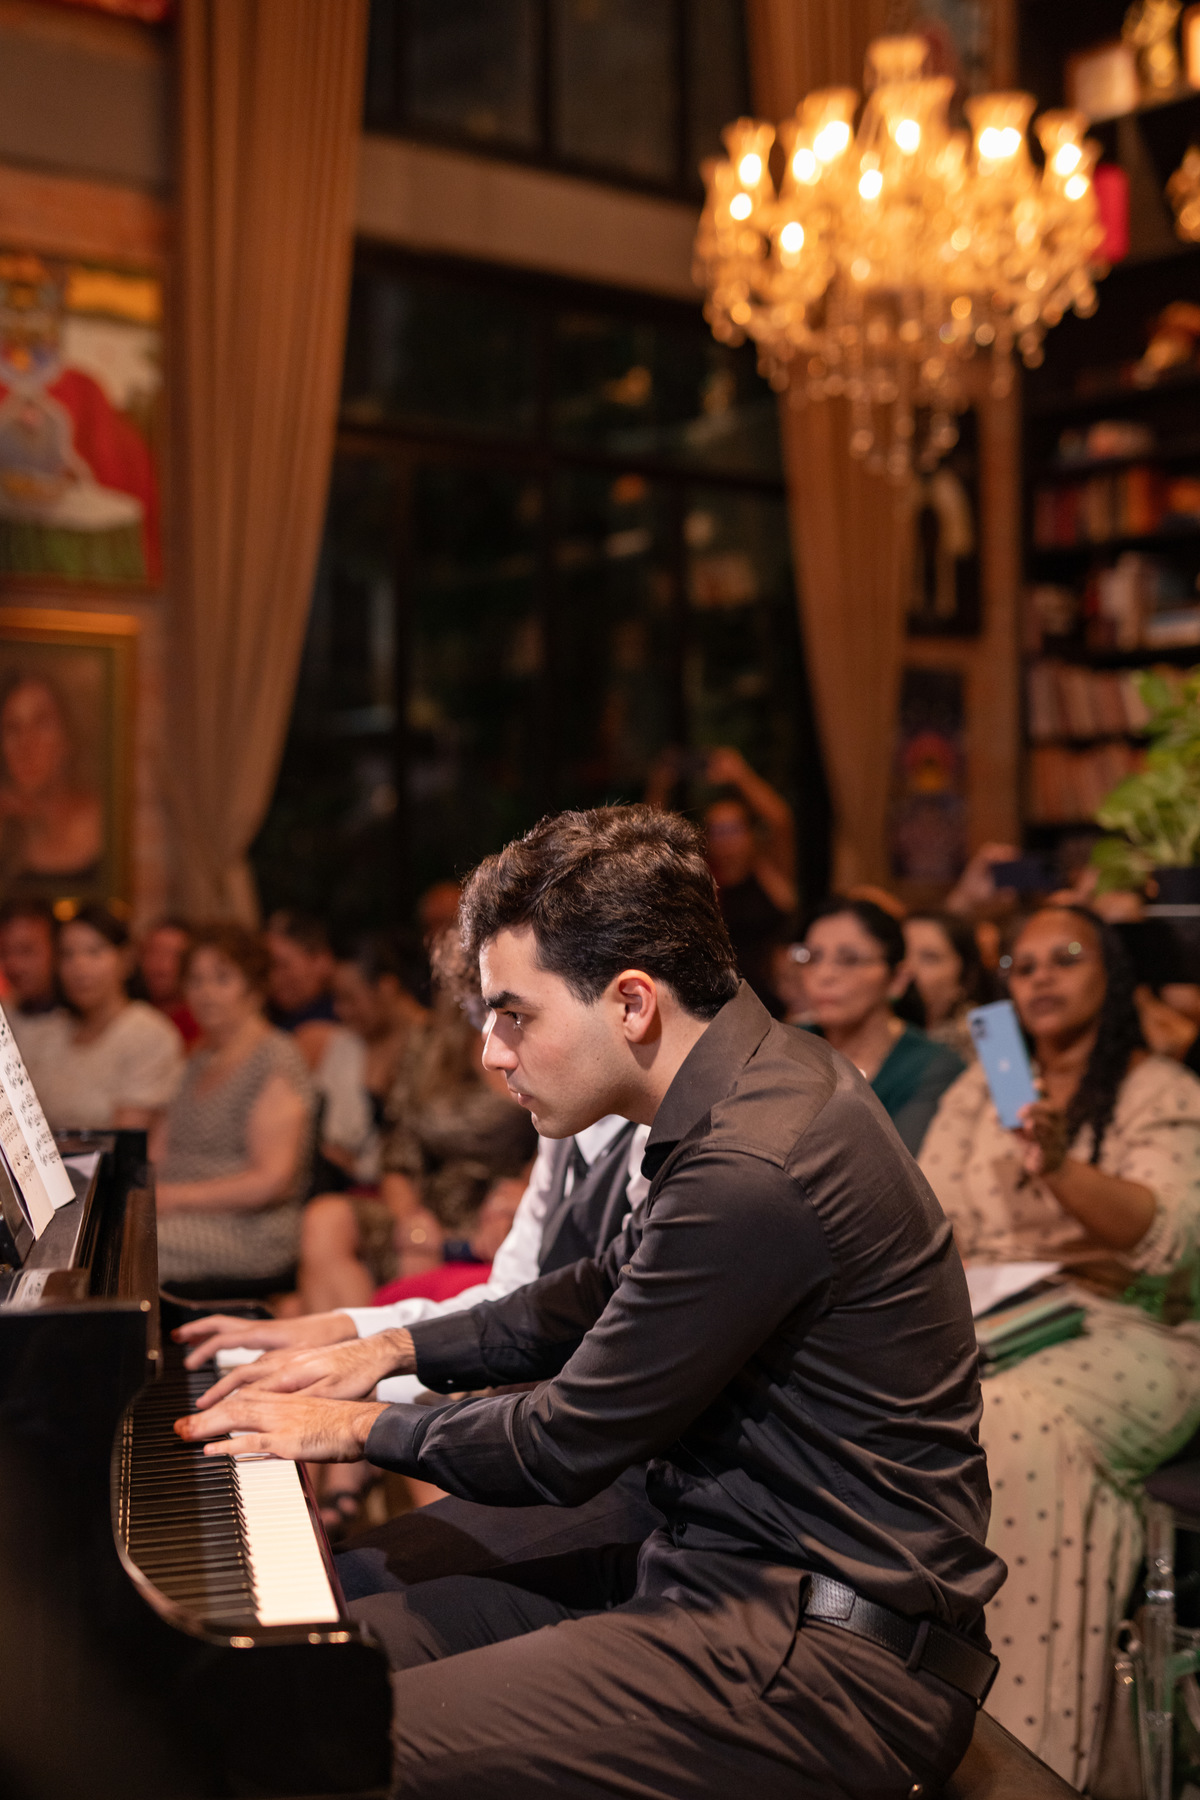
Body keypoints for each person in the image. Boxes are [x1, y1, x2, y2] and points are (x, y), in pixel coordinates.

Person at [177, 804, 1003, 1800]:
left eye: (514, 1015)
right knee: (331, 1635)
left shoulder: (755, 1161)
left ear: (632, 1003)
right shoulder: (753, 1076)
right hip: (715, 1565)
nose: (493, 1051)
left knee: (319, 1747)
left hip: (831, 1660)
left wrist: (351, 1428)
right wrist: (389, 1349)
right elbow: (594, 1289)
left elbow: (564, 1441)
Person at [919, 904, 1200, 1784]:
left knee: (1013, 1421)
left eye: (1066, 957)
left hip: (1136, 1331)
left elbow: (1164, 1238)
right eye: (1022, 964)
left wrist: (1059, 1169)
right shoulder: (986, 1087)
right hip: (997, 1319)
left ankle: (1032, 1764)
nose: (1039, 975)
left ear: (1111, 974)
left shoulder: (1161, 1090)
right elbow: (928, 1219)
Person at [181, 1113, 654, 1555]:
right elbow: (514, 1298)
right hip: (553, 1432)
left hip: (616, 1473)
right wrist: (336, 1331)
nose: (494, 1059)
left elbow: (574, 1400)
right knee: (347, 1571)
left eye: (515, 1025)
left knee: (353, 1581)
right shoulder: (568, 1127)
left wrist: (364, 1418)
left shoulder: (662, 1147)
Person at [297, 941, 537, 1316]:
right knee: (326, 1218)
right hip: (429, 1209)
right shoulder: (430, 1044)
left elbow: (562, 1141)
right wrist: (412, 1220)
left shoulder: (538, 1036)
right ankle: (348, 1347)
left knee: (294, 1307)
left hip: (505, 1211)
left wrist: (524, 1196)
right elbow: (398, 1150)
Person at [151, 924, 315, 1293]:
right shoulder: (198, 1057)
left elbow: (272, 1180)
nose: (206, 993)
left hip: (249, 1229)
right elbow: (160, 1151)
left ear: (254, 988)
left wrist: (172, 1198)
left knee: (132, 1250)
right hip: (182, 1211)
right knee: (117, 1234)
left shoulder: (274, 1056)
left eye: (222, 979)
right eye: (195, 981)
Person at [797, 896, 966, 1154]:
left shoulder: (932, 1067)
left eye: (849, 959)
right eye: (813, 958)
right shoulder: (784, 1048)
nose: (824, 974)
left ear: (898, 979)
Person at [21, 903, 184, 1132]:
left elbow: (127, 1138)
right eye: (68, 954)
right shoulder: (47, 1032)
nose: (79, 966)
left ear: (126, 960)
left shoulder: (149, 1034)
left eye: (94, 952)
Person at [0, 671, 103, 889]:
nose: (26, 745)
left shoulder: (101, 822)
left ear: (67, 738)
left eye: (42, 723)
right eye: (12, 728)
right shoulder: (8, 832)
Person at [903, 909, 991, 1060]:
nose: (907, 968)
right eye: (901, 954)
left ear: (965, 979)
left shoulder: (986, 1040)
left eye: (929, 958)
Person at [0, 896, 58, 1058]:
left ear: (56, 949)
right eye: (5, 952)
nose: (14, 965)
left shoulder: (84, 1028)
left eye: (26, 950)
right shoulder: (6, 1016)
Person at [134, 915, 200, 1048]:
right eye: (152, 952)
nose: (160, 965)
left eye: (172, 954)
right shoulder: (132, 1017)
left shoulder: (202, 1023)